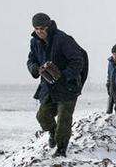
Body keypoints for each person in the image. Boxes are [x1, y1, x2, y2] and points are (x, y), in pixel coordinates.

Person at [27, 12, 88, 157]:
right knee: (42, 115)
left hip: (68, 87)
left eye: (42, 28)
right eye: (36, 28)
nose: (39, 31)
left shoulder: (63, 39)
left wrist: (64, 76)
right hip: (48, 87)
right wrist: (36, 69)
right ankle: (53, 133)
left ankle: (61, 149)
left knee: (63, 119)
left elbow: (78, 61)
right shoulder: (34, 42)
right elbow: (31, 60)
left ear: (48, 26)